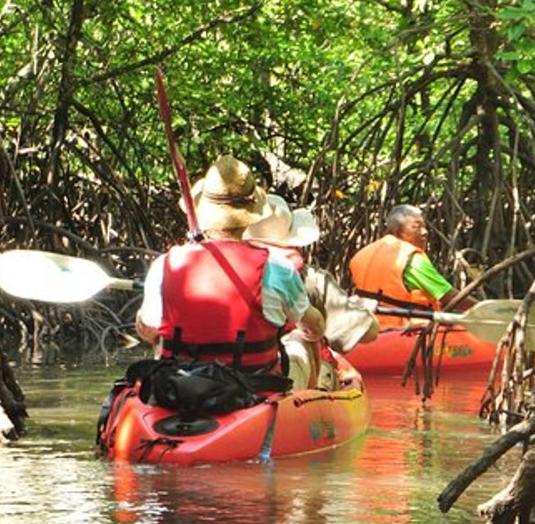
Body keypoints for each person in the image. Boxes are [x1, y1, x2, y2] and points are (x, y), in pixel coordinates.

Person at [135, 155, 325, 388]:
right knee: (301, 341)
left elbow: (146, 329)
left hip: (179, 386)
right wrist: (309, 334)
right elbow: (314, 326)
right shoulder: (277, 267)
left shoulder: (165, 265)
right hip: (255, 388)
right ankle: (314, 409)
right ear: (251, 215)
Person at [245, 195, 379, 389]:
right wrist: (367, 313)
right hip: (283, 375)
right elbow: (369, 333)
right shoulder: (310, 277)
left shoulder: (225, 270)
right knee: (304, 336)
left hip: (227, 372)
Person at [348, 204, 476, 327]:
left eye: (424, 227)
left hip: (365, 329)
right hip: (401, 331)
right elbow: (448, 296)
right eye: (416, 227)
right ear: (397, 232)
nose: (425, 232)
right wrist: (484, 310)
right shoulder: (412, 260)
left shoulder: (360, 255)